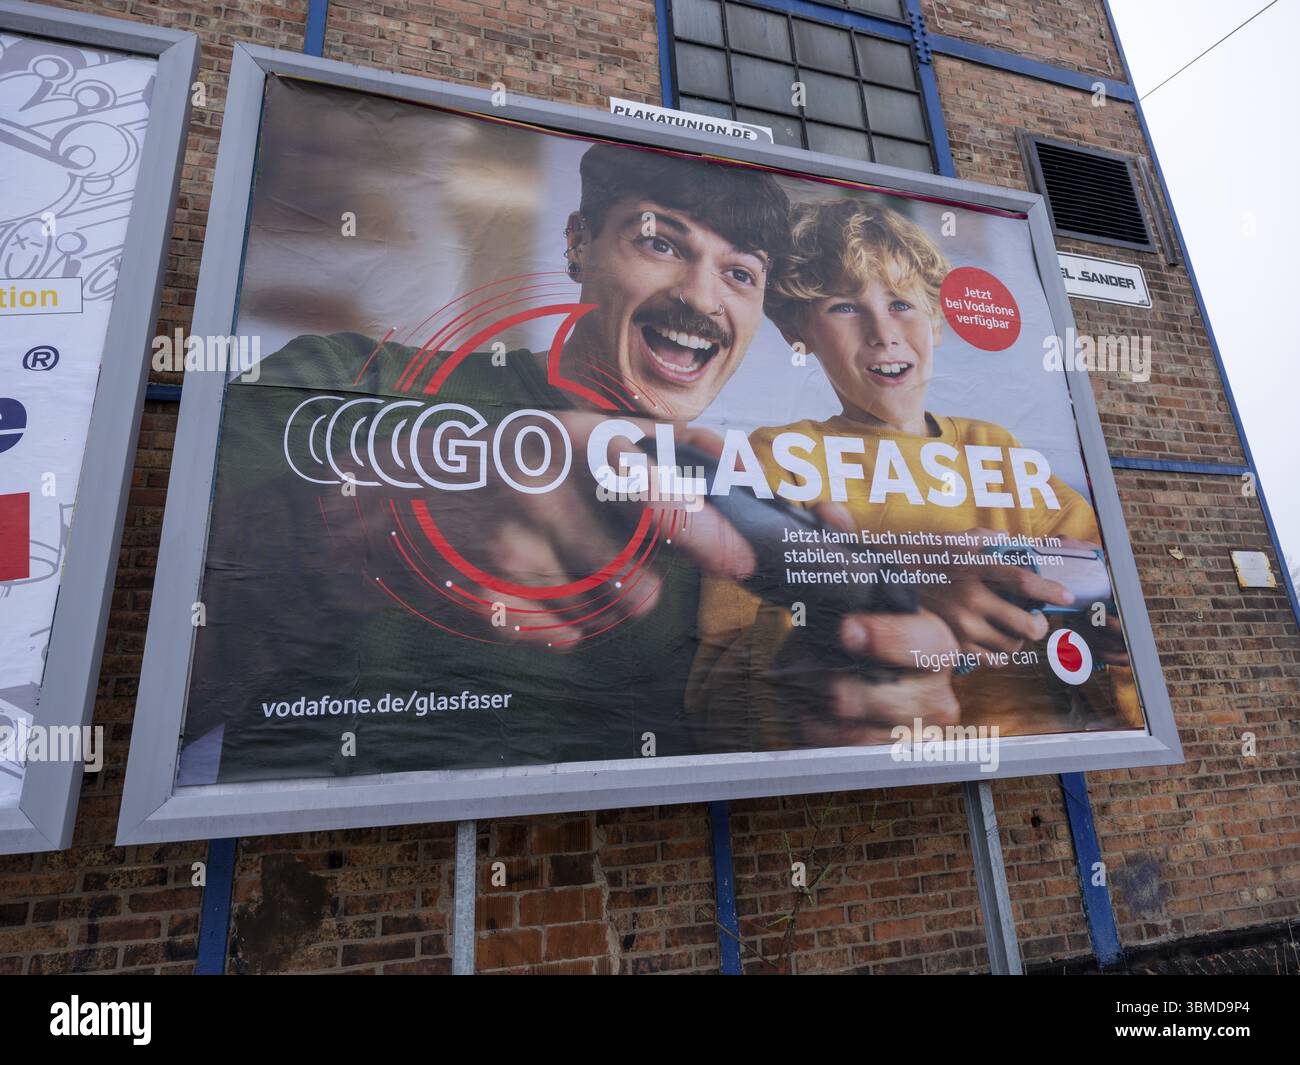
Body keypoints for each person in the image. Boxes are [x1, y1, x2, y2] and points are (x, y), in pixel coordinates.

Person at [180, 143, 961, 784]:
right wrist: (392, 516)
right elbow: (157, 666)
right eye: (660, 242)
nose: (700, 297)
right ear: (579, 244)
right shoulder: (348, 380)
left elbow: (734, 735)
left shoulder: (744, 509)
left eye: (740, 273)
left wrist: (842, 713)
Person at [688, 197, 1140, 749]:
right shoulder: (776, 459)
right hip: (867, 776)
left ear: (939, 322)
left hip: (1036, 752)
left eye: (902, 303)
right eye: (844, 308)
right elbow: (715, 688)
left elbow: (1116, 613)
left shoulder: (995, 449)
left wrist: (1115, 644)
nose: (883, 332)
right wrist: (890, 598)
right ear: (795, 333)